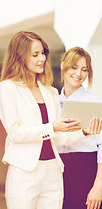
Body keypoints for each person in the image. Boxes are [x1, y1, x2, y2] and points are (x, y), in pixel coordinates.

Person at [0, 31, 100, 209]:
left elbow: (58, 138)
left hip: (53, 171)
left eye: (43, 53)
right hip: (25, 171)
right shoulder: (8, 87)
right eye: (35, 54)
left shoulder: (49, 91)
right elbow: (15, 133)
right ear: (20, 57)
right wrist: (52, 127)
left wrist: (84, 132)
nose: (42, 58)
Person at [57, 47, 102, 209]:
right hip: (56, 172)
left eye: (84, 70)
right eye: (74, 67)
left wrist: (98, 187)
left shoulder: (97, 102)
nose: (78, 74)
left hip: (87, 170)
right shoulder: (51, 102)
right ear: (63, 66)